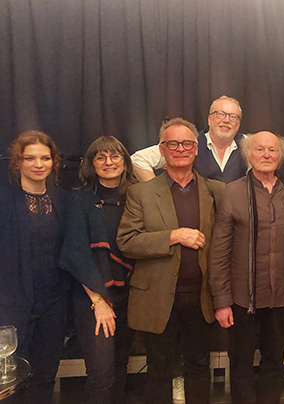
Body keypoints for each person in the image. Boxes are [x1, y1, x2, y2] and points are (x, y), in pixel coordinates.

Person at [117, 118, 225, 404]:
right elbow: (127, 241)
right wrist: (174, 236)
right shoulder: (140, 193)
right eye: (173, 143)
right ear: (162, 150)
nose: (180, 149)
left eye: (187, 143)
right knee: (159, 370)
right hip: (156, 298)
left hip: (201, 298)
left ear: (196, 149)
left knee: (199, 366)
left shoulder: (216, 191)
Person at [209, 131, 284, 404]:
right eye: (259, 150)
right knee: (240, 365)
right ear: (248, 155)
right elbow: (219, 251)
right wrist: (221, 301)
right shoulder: (232, 193)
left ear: (281, 156)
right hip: (241, 298)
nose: (266, 155)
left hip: (282, 296)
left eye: (272, 150)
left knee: (275, 362)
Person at [59, 136, 136, 404]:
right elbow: (76, 253)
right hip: (93, 297)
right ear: (91, 164)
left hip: (129, 295)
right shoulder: (79, 199)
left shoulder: (135, 196)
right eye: (100, 157)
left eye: (115, 156)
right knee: (101, 374)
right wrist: (99, 302)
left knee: (120, 365)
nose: (108, 162)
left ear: (125, 162)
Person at [0, 130, 66, 404]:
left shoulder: (63, 200)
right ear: (18, 162)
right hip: (12, 305)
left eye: (45, 158)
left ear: (54, 161)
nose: (38, 164)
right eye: (30, 158)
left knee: (45, 376)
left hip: (54, 304)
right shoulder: (4, 201)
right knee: (11, 382)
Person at [131, 95, 247, 183]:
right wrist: (157, 193)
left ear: (239, 123)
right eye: (220, 114)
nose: (226, 120)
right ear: (209, 119)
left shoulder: (248, 145)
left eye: (233, 117)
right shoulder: (188, 143)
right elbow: (138, 160)